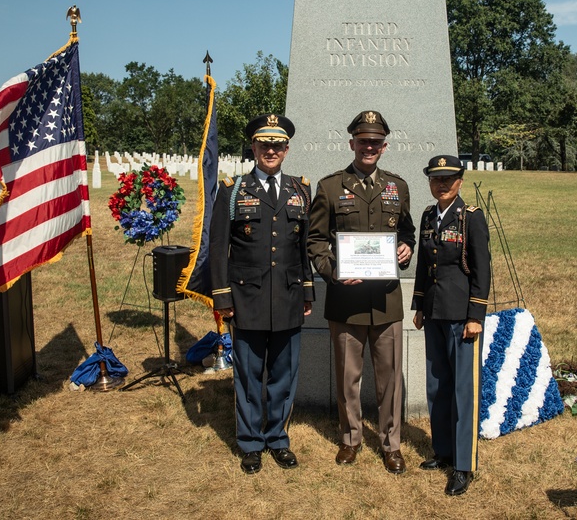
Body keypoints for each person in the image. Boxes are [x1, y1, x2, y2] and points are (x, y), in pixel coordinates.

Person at [307, 110, 416, 474]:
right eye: (362, 141)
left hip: (386, 300)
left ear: (383, 147)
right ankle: (350, 438)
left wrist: (406, 249)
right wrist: (333, 270)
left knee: (389, 381)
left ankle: (391, 444)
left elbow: (407, 232)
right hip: (345, 301)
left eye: (375, 142)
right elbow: (316, 240)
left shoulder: (397, 187)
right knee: (347, 376)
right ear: (352, 143)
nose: (368, 147)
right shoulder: (330, 187)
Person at [210, 113, 314, 475]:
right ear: (253, 147)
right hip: (247, 298)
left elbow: (302, 248)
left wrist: (307, 292)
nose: (270, 150)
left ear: (286, 149)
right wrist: (222, 297)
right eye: (264, 144)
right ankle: (251, 442)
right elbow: (218, 246)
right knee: (249, 374)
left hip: (287, 296)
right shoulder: (233, 189)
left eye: (277, 145)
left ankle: (278, 438)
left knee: (284, 374)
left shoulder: (301, 190)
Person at [411, 155, 491, 496]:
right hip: (434, 313)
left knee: (462, 392)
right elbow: (423, 264)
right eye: (435, 179)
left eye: (448, 179)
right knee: (437, 386)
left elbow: (482, 269)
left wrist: (475, 316)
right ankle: (443, 451)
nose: (441, 184)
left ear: (459, 180)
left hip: (461, 316)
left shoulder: (471, 217)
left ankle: (463, 464)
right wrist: (417, 303)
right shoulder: (429, 216)